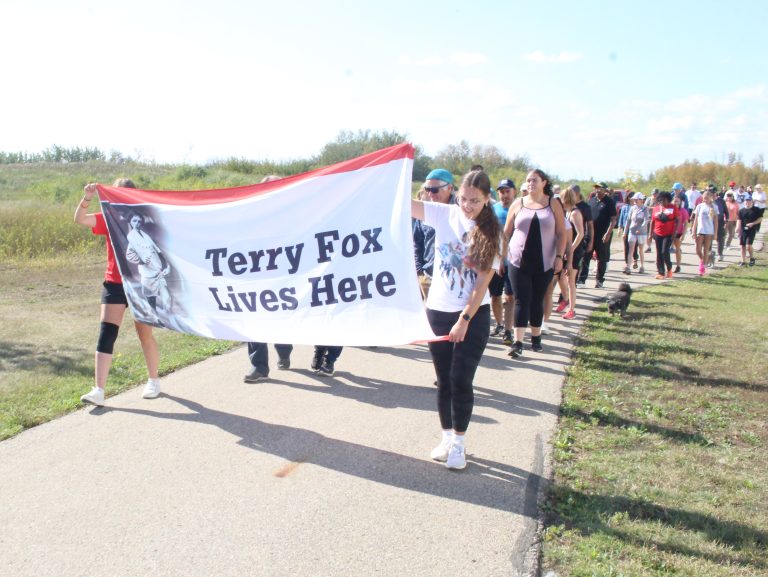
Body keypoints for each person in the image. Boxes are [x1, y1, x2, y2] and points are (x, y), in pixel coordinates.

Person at [411, 169, 500, 470]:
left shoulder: (492, 230)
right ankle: (447, 436)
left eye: (474, 201)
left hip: (472, 314)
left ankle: (460, 444)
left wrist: (464, 319)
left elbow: (482, 283)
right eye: (463, 199)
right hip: (437, 310)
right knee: (444, 379)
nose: (467, 206)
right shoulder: (444, 214)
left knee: (461, 379)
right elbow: (404, 205)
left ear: (487, 199)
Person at [75, 180, 161, 406]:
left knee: (144, 333)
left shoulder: (144, 220)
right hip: (114, 282)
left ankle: (153, 380)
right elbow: (80, 219)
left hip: (139, 283)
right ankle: (99, 390)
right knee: (106, 333)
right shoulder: (110, 217)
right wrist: (87, 197)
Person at [503, 169, 566, 358]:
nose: (530, 183)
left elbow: (562, 232)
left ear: (544, 182)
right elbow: (506, 233)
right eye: (528, 180)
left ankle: (536, 338)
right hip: (517, 260)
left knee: (537, 299)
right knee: (521, 299)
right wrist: (500, 257)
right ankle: (518, 342)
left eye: (535, 180)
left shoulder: (553, 204)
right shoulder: (518, 203)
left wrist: (559, 257)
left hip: (545, 260)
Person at [244, 175, 295, 382]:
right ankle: (259, 366)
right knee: (254, 319)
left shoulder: (293, 215)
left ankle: (284, 353)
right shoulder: (251, 216)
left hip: (284, 276)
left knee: (281, 317)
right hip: (256, 276)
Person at [413, 169, 456, 300]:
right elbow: (417, 241)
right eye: (427, 189)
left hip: (455, 278)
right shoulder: (424, 211)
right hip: (429, 276)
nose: (430, 194)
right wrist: (419, 269)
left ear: (450, 188)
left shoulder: (462, 211)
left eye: (434, 190)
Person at [125, 212, 172, 321]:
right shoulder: (131, 237)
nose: (137, 223)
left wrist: (166, 265)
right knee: (151, 299)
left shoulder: (144, 234)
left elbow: (156, 250)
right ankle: (155, 319)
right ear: (130, 222)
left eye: (139, 221)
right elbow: (129, 254)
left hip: (158, 270)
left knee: (167, 297)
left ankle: (168, 319)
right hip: (148, 274)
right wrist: (140, 260)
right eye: (134, 221)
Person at [489, 179, 516, 342]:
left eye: (508, 191)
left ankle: (508, 329)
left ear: (514, 191)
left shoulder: (520, 208)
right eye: (501, 191)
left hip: (514, 261)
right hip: (496, 260)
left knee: (510, 297)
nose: (505, 194)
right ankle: (499, 323)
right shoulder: (493, 209)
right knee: (495, 296)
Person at [556, 185, 583, 320]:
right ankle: (565, 299)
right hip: (566, 249)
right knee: (561, 277)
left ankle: (572, 309)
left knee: (571, 280)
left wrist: (571, 248)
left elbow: (581, 233)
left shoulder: (575, 213)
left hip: (574, 251)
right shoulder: (566, 212)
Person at [583, 182, 616, 288]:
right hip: (591, 234)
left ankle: (599, 280)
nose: (597, 190)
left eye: (600, 188)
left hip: (603, 235)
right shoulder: (591, 201)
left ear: (605, 190)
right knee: (586, 256)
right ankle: (581, 279)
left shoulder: (609, 202)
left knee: (601, 258)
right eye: (596, 188)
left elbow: (613, 220)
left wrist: (608, 233)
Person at [651, 191, 679, 280]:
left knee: (664, 251)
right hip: (657, 233)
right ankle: (661, 272)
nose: (663, 202)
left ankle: (669, 269)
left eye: (665, 200)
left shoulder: (673, 208)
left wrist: (675, 232)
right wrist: (650, 233)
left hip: (668, 234)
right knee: (659, 253)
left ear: (668, 199)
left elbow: (677, 220)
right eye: (661, 200)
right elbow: (652, 221)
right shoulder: (656, 208)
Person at [690, 190, 719, 275]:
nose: (705, 199)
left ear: (710, 198)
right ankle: (706, 260)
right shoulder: (699, 206)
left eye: (707, 198)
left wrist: (715, 233)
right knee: (698, 250)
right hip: (700, 230)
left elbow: (715, 221)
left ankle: (702, 268)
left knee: (706, 250)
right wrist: (693, 231)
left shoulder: (713, 207)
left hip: (709, 231)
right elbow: (695, 220)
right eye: (704, 198)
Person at [624, 192, 650, 274]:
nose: (635, 200)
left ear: (641, 200)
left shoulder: (645, 209)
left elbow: (646, 220)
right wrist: (625, 232)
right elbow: (628, 221)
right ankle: (628, 267)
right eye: (634, 199)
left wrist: (641, 228)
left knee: (641, 249)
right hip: (632, 231)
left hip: (641, 233)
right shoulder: (632, 208)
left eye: (636, 199)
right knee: (631, 249)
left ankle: (642, 266)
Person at [574, 185, 594, 288]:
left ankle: (577, 282)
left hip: (579, 240)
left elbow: (590, 226)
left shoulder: (585, 207)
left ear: (576, 194)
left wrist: (590, 242)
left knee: (575, 266)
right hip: (567, 239)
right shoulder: (567, 206)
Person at [737, 195, 763, 266]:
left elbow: (760, 218)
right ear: (744, 201)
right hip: (743, 230)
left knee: (748, 245)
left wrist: (753, 223)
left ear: (752, 202)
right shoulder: (741, 211)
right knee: (742, 246)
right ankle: (743, 261)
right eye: (746, 201)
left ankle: (752, 258)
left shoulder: (756, 210)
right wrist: (737, 229)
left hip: (752, 229)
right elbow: (739, 220)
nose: (747, 202)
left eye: (749, 201)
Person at [671, 195, 689, 273]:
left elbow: (685, 223)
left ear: (680, 202)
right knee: (665, 249)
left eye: (678, 201)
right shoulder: (670, 210)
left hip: (678, 232)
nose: (676, 203)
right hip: (669, 232)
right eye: (675, 201)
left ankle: (678, 266)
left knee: (677, 249)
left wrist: (683, 234)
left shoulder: (683, 211)